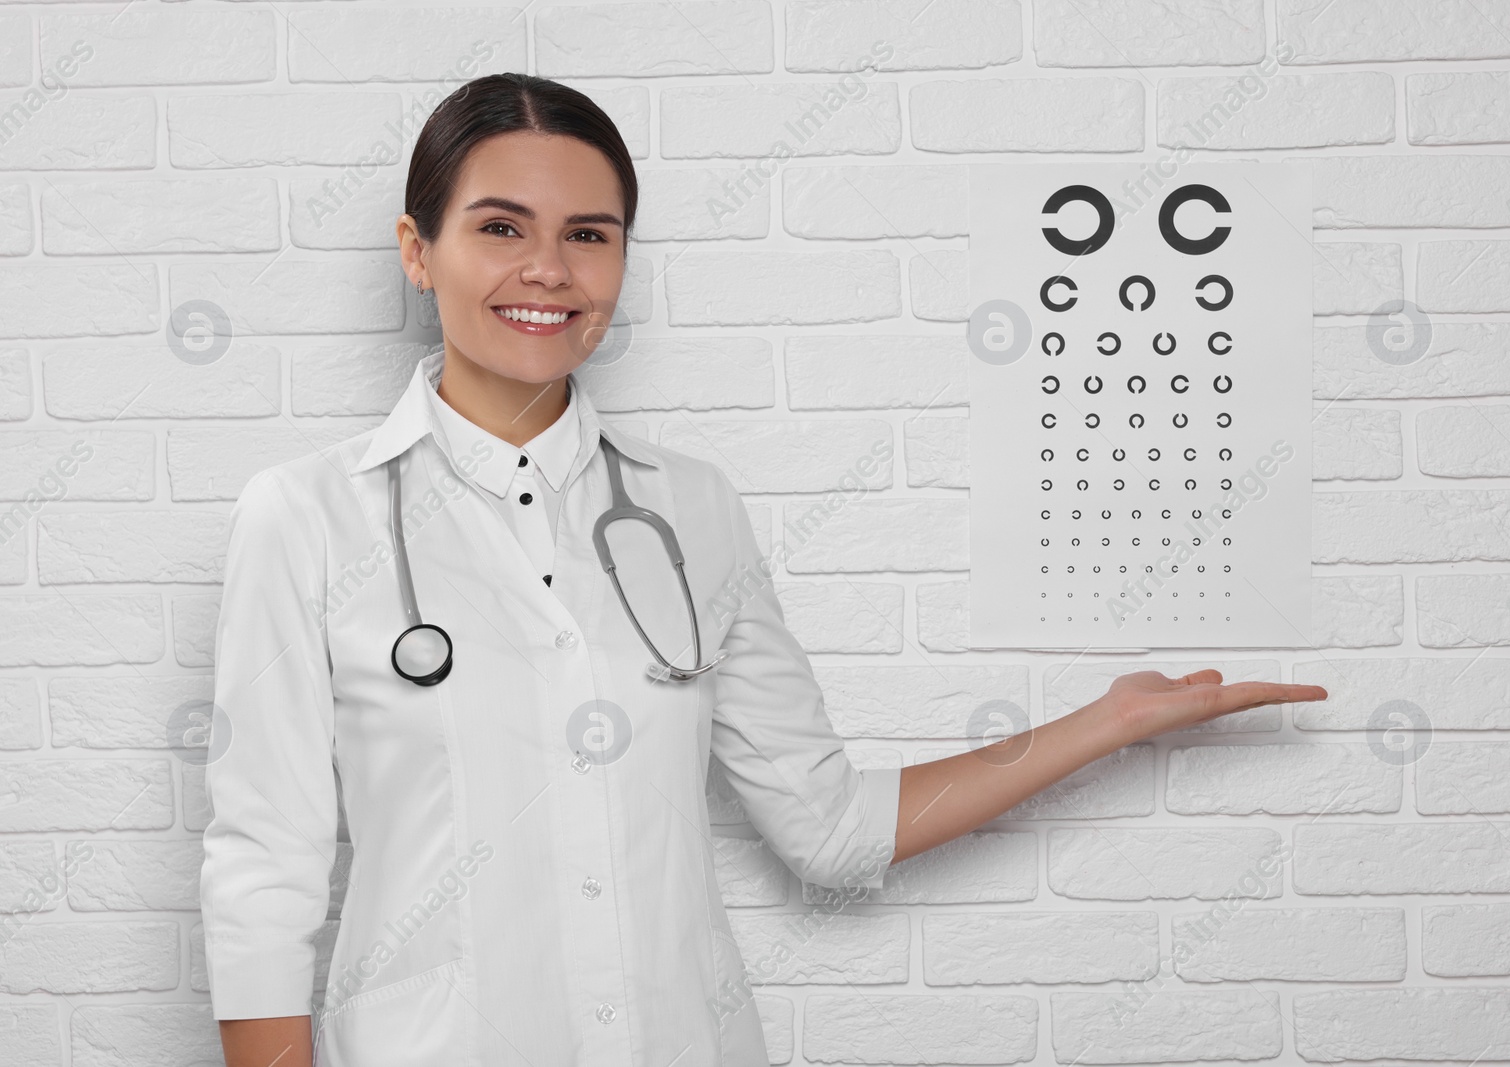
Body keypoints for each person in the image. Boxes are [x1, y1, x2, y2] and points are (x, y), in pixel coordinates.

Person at [200, 73, 1329, 1067]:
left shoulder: (692, 508)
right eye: (501, 227)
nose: (548, 268)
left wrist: (1101, 722)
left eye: (590, 234)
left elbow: (827, 825)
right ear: (417, 250)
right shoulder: (304, 516)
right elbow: (263, 873)